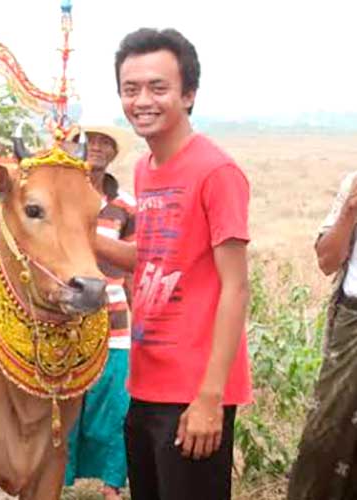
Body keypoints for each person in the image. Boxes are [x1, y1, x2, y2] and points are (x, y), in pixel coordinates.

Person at [95, 28, 252, 500]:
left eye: (158, 88)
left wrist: (210, 397)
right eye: (131, 88)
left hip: (194, 392)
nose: (142, 100)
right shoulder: (146, 170)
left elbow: (235, 287)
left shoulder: (216, 172)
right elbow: (154, 257)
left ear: (188, 94)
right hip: (145, 380)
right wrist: (79, 240)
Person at [64, 125, 136, 499]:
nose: (96, 147)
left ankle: (111, 488)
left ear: (112, 153)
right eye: (90, 140)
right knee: (66, 403)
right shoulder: (64, 198)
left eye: (104, 143)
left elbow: (136, 263)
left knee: (115, 405)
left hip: (115, 319)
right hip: (68, 319)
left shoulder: (125, 205)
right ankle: (57, 479)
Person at [287, 173, 357, 499]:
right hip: (352, 324)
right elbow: (327, 261)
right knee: (325, 434)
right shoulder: (354, 183)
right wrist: (350, 209)